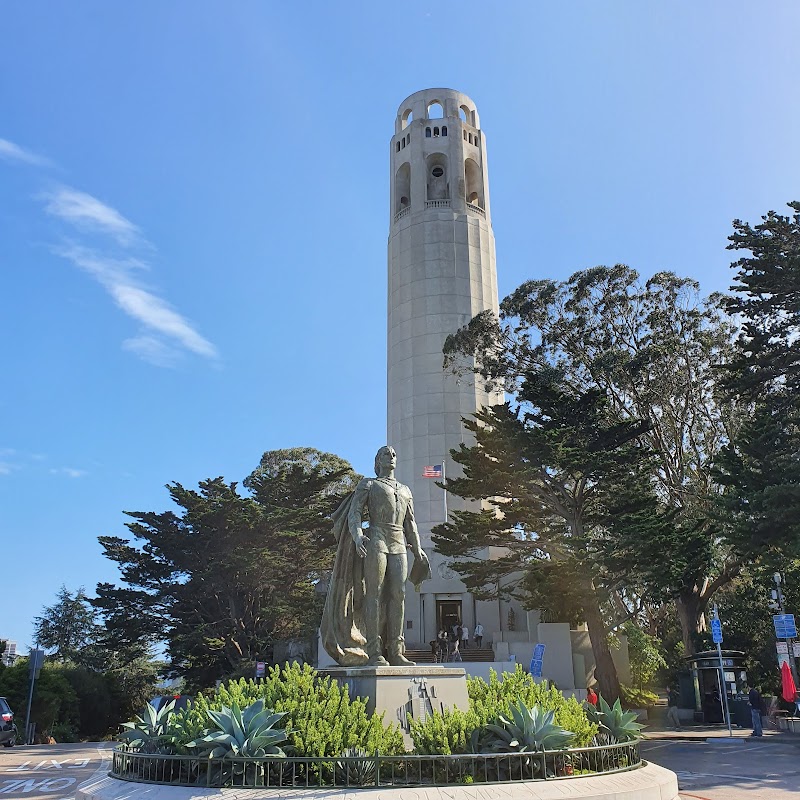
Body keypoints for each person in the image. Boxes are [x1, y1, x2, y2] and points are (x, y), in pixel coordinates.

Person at [319, 445, 431, 666]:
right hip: (377, 540)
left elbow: (411, 524)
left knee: (398, 594)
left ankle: (396, 651)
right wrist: (358, 535)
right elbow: (355, 513)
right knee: (375, 594)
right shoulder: (369, 484)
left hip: (399, 543)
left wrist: (417, 549)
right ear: (377, 461)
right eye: (385, 454)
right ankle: (374, 651)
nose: (391, 456)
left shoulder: (405, 490)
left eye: (394, 454)